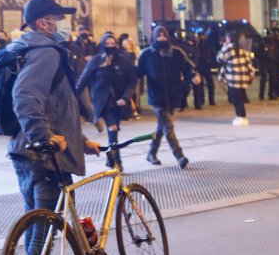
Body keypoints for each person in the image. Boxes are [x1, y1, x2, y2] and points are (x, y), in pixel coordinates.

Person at [5, 0, 100, 255]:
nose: (64, 25)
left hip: (25, 151)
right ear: (43, 23)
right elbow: (25, 96)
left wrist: (80, 139)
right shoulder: (45, 51)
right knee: (41, 228)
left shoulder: (27, 48)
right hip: (43, 156)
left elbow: (55, 106)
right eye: (59, 19)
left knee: (36, 225)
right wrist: (44, 138)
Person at [137, 25, 200, 168]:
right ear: (154, 37)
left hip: (173, 96)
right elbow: (138, 72)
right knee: (168, 127)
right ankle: (180, 156)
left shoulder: (176, 53)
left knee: (162, 127)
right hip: (157, 97)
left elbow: (188, 68)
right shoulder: (147, 54)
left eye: (164, 36)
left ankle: (151, 153)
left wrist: (194, 76)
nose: (161, 39)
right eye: (158, 36)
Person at [75, 33, 137, 171]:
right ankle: (116, 161)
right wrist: (73, 97)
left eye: (112, 44)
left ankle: (112, 160)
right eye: (107, 44)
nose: (110, 47)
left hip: (118, 102)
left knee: (113, 132)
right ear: (103, 45)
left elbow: (132, 80)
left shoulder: (123, 61)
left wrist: (126, 97)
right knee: (112, 128)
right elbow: (83, 80)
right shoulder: (96, 61)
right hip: (102, 101)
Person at [217, 32, 256, 126]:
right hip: (243, 78)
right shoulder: (243, 50)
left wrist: (223, 47)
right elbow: (249, 64)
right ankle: (240, 116)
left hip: (233, 79)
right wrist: (251, 76)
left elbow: (219, 59)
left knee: (236, 99)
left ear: (229, 39)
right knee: (240, 98)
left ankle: (241, 116)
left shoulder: (228, 48)